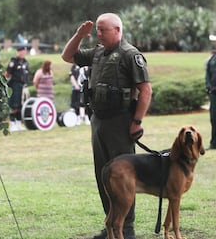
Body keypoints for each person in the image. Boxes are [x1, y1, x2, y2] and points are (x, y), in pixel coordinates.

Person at [61, 13, 152, 239]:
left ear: (118, 30)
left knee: (123, 177)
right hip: (99, 120)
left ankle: (126, 229)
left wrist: (137, 122)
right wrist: (79, 35)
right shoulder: (98, 52)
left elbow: (146, 90)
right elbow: (67, 56)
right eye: (98, 30)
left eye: (103, 30)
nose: (99, 34)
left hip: (120, 122)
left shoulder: (130, 55)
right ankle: (112, 226)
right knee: (104, 175)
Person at [5, 47, 30, 132]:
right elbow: (7, 73)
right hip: (14, 85)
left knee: (20, 105)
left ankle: (18, 124)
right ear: (18, 52)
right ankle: (12, 124)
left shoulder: (26, 62)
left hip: (22, 86)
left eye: (24, 52)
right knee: (14, 105)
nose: (23, 53)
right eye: (21, 52)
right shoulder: (14, 61)